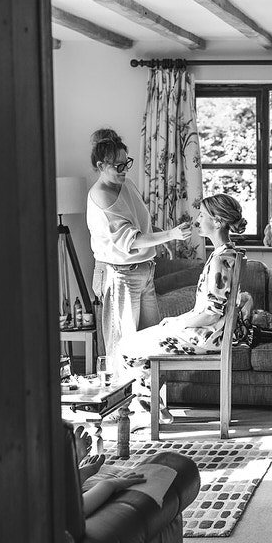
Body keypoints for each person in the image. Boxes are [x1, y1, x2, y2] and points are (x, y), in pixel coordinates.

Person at [118, 193, 250, 423]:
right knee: (141, 344)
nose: (198, 220)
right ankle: (153, 409)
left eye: (203, 215)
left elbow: (211, 313)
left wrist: (177, 322)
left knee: (127, 347)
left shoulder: (220, 259)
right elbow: (223, 303)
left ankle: (150, 413)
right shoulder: (230, 253)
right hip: (212, 333)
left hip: (207, 336)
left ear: (218, 222)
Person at [86, 128, 191, 376]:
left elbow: (139, 225)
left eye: (126, 164)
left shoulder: (127, 184)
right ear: (101, 165)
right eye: (118, 166)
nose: (124, 170)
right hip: (121, 275)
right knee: (123, 344)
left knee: (151, 341)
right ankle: (118, 409)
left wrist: (163, 235)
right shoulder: (101, 195)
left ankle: (149, 404)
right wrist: (170, 235)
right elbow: (130, 240)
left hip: (144, 272)